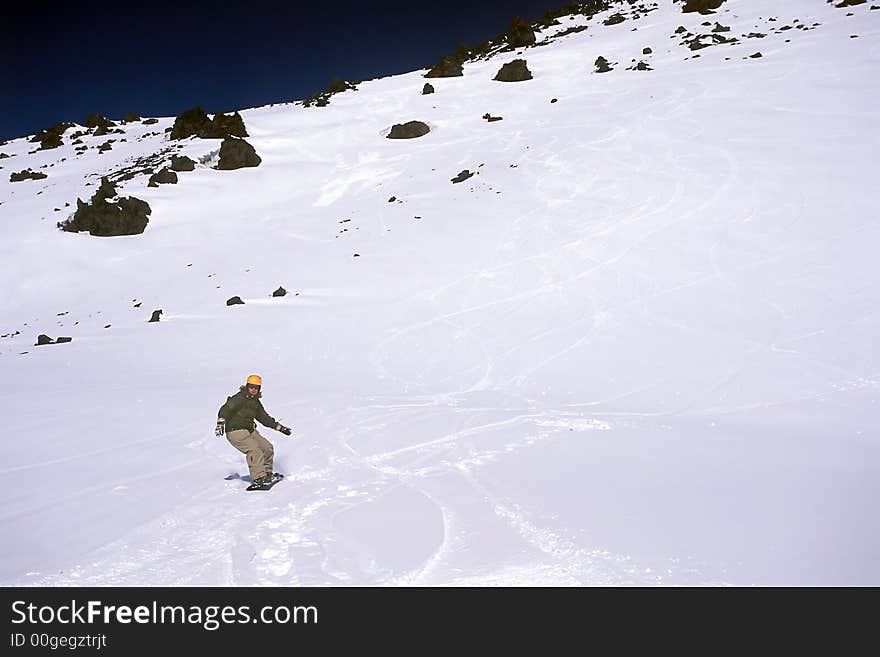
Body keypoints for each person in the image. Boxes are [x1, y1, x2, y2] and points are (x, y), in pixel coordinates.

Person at [216, 374, 291, 486]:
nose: (253, 390)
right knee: (254, 450)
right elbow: (225, 409)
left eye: (256, 388)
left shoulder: (255, 402)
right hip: (235, 431)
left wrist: (280, 428)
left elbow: (264, 418)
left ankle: (266, 474)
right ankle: (258, 478)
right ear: (247, 386)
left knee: (267, 447)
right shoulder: (240, 398)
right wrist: (221, 422)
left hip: (249, 430)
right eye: (251, 387)